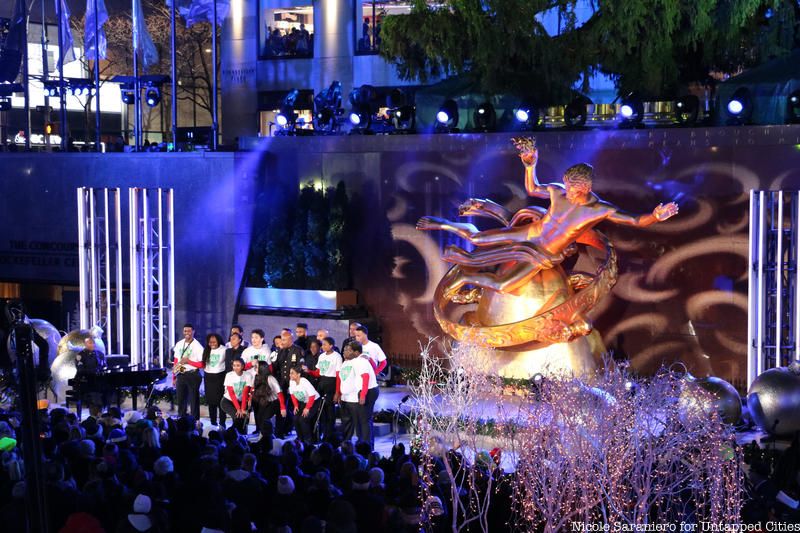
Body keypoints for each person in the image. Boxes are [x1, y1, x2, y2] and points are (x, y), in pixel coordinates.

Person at [417, 141, 679, 299]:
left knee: (503, 285)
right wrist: (530, 165)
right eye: (566, 185)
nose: (568, 191)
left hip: (544, 252)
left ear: (586, 188)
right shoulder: (557, 191)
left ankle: (465, 277)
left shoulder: (598, 209)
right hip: (531, 233)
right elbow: (533, 188)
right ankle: (442, 223)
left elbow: (634, 221)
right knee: (476, 238)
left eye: (573, 189)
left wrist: (655, 216)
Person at [335, 341, 378, 448]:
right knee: (360, 421)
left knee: (364, 421)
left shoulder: (361, 361)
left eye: (349, 350)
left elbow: (365, 377)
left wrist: (362, 395)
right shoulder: (354, 361)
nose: (345, 351)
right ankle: (361, 443)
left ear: (356, 352)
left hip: (368, 391)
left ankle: (367, 447)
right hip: (362, 391)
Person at [304, 336, 341, 439]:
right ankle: (321, 433)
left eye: (325, 344)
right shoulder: (322, 356)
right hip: (322, 383)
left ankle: (329, 435)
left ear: (331, 345)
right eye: (322, 345)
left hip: (331, 383)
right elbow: (318, 372)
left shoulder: (337, 357)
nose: (323, 347)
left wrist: (337, 392)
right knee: (320, 410)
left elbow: (338, 376)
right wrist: (309, 371)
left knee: (329, 411)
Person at [274, 331, 305, 437]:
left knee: (293, 408)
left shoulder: (298, 350)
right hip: (282, 383)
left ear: (290, 339)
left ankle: (289, 428)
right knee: (281, 407)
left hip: (294, 383)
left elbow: (300, 366)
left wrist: (293, 379)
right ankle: (279, 432)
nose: (282, 342)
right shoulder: (280, 350)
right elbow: (277, 365)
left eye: (284, 340)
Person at [172, 324, 204, 419]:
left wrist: (188, 361)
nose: (187, 333)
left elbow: (202, 364)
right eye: (185, 331)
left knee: (193, 400)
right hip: (181, 374)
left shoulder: (197, 346)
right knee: (181, 400)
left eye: (189, 331)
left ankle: (195, 421)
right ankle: (181, 419)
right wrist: (174, 377)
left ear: (193, 331)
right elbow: (176, 360)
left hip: (193, 374)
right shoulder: (179, 344)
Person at [285, 365, 321, 444]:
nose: (290, 375)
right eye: (290, 373)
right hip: (303, 401)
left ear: (298, 374)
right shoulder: (291, 381)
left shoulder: (304, 381)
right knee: (295, 419)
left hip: (314, 401)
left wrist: (307, 408)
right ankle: (300, 438)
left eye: (292, 373)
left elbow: (312, 395)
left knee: (303, 419)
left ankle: (308, 440)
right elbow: (292, 394)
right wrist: (295, 405)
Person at [251, 361, 284, 441]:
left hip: (274, 402)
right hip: (265, 401)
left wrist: (283, 407)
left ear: (262, 368)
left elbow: (279, 393)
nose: (255, 368)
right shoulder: (256, 377)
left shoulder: (270, 378)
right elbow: (253, 389)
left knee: (265, 418)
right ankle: (264, 434)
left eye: (257, 367)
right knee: (259, 417)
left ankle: (268, 435)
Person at [221, 358, 253, 434]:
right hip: (228, 401)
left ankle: (243, 435)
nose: (235, 367)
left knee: (244, 417)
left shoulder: (248, 375)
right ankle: (233, 435)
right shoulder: (229, 375)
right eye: (234, 365)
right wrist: (238, 409)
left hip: (242, 401)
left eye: (238, 365)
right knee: (238, 417)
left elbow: (245, 393)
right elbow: (231, 393)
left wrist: (242, 409)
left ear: (243, 366)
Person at [202, 333, 227, 428]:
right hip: (208, 377)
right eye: (210, 342)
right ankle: (213, 422)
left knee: (221, 401)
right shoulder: (206, 350)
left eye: (214, 342)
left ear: (218, 341)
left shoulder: (224, 350)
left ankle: (222, 423)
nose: (212, 344)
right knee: (211, 401)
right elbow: (203, 364)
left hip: (220, 376)